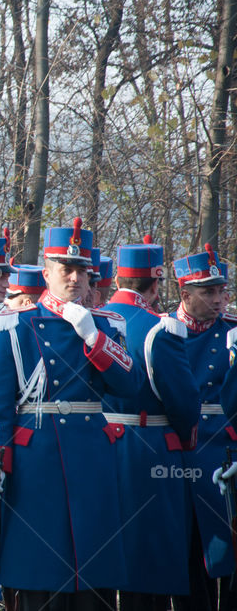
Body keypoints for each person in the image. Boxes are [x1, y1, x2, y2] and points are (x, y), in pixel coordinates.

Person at [0, 218, 141, 611]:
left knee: (94, 570)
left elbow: (130, 386)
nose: (75, 278)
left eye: (82, 271)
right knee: (41, 572)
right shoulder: (14, 325)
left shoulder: (108, 326)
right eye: (66, 269)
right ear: (47, 273)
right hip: (36, 458)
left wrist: (93, 337)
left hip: (91, 455)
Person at [99, 235, 199, 610]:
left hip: (102, 447)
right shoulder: (161, 329)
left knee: (107, 555)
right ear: (156, 282)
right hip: (151, 448)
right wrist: (185, 440)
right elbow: (184, 405)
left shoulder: (98, 319)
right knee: (151, 560)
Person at [168, 244, 237, 611]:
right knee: (186, 552)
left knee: (227, 552)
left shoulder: (232, 331)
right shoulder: (165, 330)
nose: (219, 299)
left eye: (222, 290)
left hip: (225, 452)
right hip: (178, 453)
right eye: (208, 292)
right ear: (185, 294)